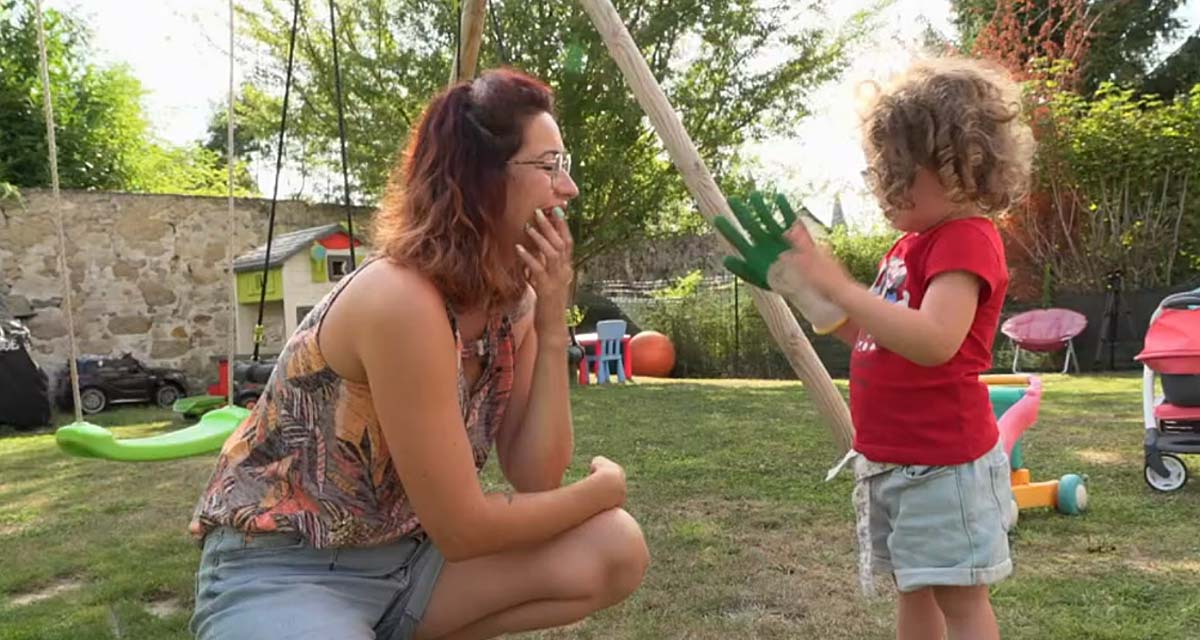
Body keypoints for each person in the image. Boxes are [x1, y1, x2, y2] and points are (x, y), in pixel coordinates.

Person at [188, 68, 649, 640]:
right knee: (602, 514)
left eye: (565, 164)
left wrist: (553, 326)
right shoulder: (400, 298)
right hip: (287, 566)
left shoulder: (516, 304)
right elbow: (463, 529)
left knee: (616, 546)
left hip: (413, 561)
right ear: (481, 179)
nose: (568, 187)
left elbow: (535, 474)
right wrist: (599, 490)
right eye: (549, 166)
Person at [715, 56, 1034, 640]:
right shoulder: (908, 247)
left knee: (959, 599)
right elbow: (875, 339)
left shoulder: (965, 240)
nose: (881, 186)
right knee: (914, 588)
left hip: (943, 467)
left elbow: (936, 341)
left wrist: (839, 284)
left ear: (962, 165)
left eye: (895, 170)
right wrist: (811, 296)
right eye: (876, 171)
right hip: (895, 460)